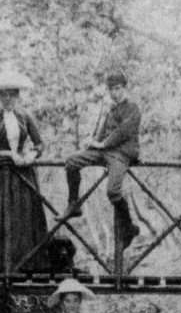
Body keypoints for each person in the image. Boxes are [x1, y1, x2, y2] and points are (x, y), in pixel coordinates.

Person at [0, 73, 73, 273]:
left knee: (26, 215)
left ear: (17, 97)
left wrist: (32, 153)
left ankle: (30, 263)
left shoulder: (25, 117)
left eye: (12, 95)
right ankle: (1, 264)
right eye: (4, 95)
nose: (8, 99)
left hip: (25, 172)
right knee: (5, 215)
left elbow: (40, 143)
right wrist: (8, 154)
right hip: (3, 173)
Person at [60, 70, 141, 247]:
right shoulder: (111, 110)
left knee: (113, 191)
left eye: (118, 88)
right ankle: (74, 204)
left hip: (122, 154)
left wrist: (103, 144)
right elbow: (102, 133)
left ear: (124, 88)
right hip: (104, 152)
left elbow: (123, 131)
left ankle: (129, 227)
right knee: (72, 161)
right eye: (111, 89)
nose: (114, 93)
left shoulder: (133, 108)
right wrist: (91, 144)